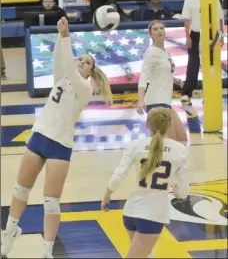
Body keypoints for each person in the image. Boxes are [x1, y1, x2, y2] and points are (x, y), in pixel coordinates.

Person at [1, 17, 112, 259]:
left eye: (87, 62)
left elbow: (69, 68)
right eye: (80, 59)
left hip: (60, 146)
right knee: (21, 190)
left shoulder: (85, 89)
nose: (82, 62)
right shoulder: (60, 78)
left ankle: (47, 252)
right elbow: (59, 61)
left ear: (90, 72)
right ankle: (9, 234)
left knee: (51, 202)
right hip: (39, 136)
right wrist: (61, 34)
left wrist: (66, 36)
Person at [101, 106, 189, 258]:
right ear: (169, 124)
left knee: (146, 255)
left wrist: (106, 196)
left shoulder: (135, 145)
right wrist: (177, 191)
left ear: (148, 124)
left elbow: (118, 176)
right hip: (153, 215)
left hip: (130, 213)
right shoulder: (180, 150)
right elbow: (184, 193)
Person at [137, 20, 188, 145]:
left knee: (182, 139)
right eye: (155, 29)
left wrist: (174, 79)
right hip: (156, 102)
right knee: (169, 143)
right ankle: (154, 163)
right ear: (150, 34)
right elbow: (144, 76)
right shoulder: (151, 53)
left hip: (166, 102)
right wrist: (140, 100)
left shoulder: (165, 52)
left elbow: (162, 71)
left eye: (161, 28)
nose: (159, 30)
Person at [180, 0, 224, 103]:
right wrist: (187, 36)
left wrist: (221, 34)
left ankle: (210, 93)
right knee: (193, 63)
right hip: (196, 33)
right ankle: (187, 93)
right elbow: (187, 20)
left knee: (212, 64)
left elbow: (220, 17)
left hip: (211, 34)